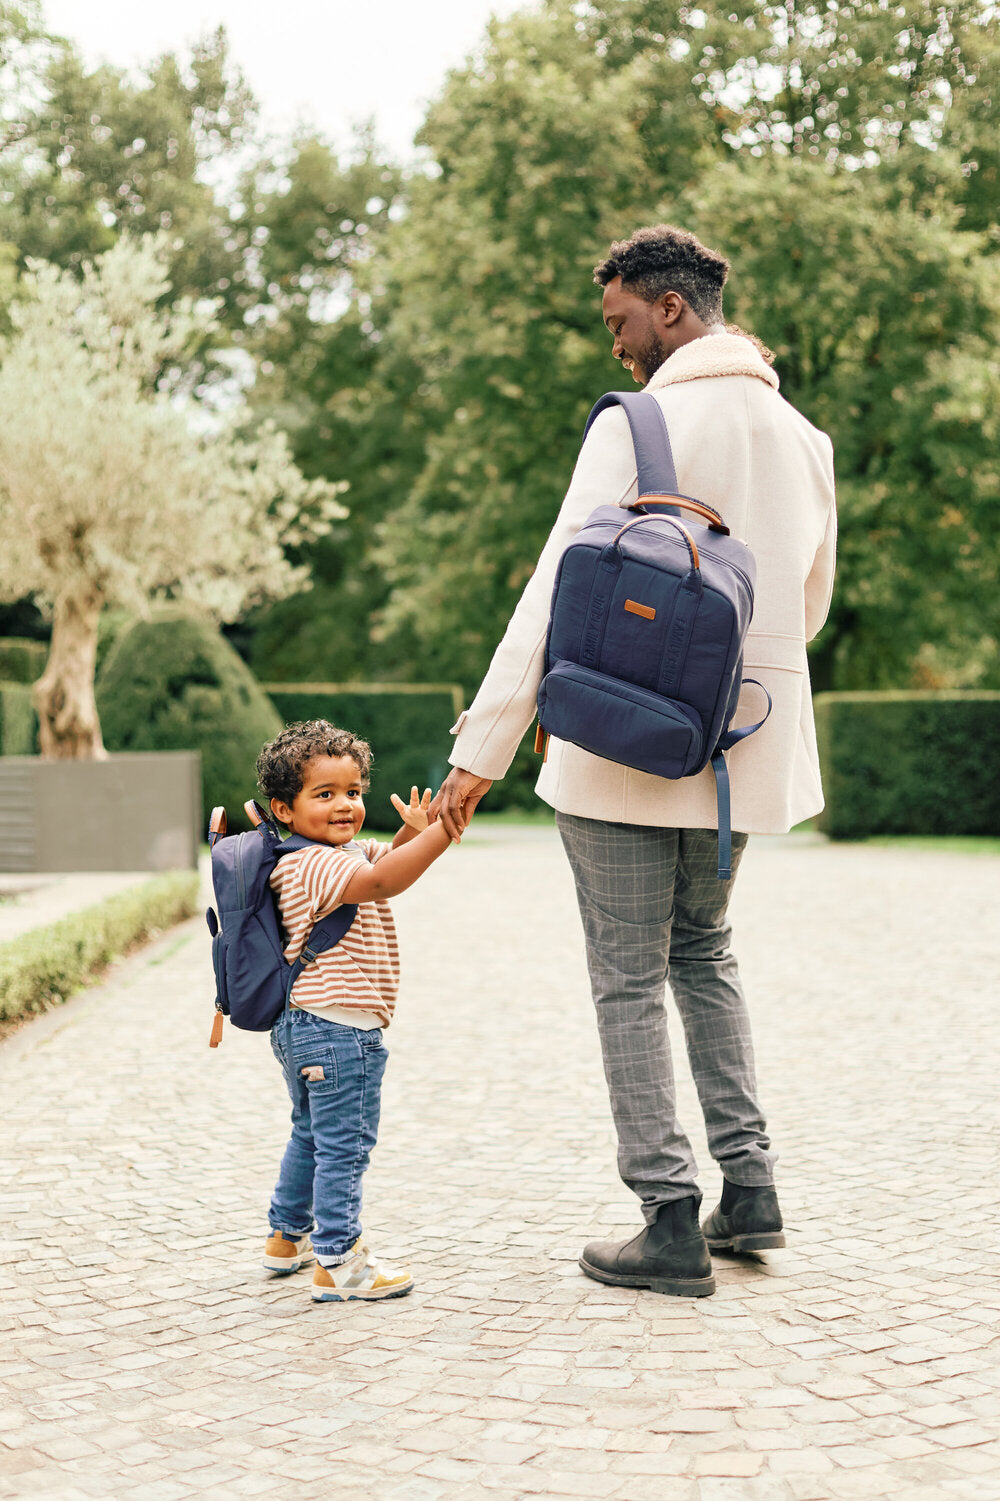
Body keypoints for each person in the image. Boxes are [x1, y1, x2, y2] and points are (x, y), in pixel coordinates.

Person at [433, 225, 837, 1298]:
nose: (613, 346)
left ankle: (665, 1220)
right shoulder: (805, 438)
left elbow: (553, 591)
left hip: (621, 740)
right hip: (735, 751)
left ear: (668, 309)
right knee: (705, 954)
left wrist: (482, 747)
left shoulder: (643, 423)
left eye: (618, 321)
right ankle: (748, 1189)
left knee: (625, 976)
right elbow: (807, 604)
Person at [256, 719, 454, 1302]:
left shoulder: (316, 854)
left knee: (312, 1134)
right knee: (346, 1144)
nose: (344, 806)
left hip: (303, 1026)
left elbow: (381, 861)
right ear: (283, 808)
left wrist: (409, 836)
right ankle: (340, 1263)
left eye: (354, 792)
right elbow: (381, 882)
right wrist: (442, 833)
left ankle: (286, 1237)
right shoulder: (317, 864)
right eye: (325, 795)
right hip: (340, 1030)